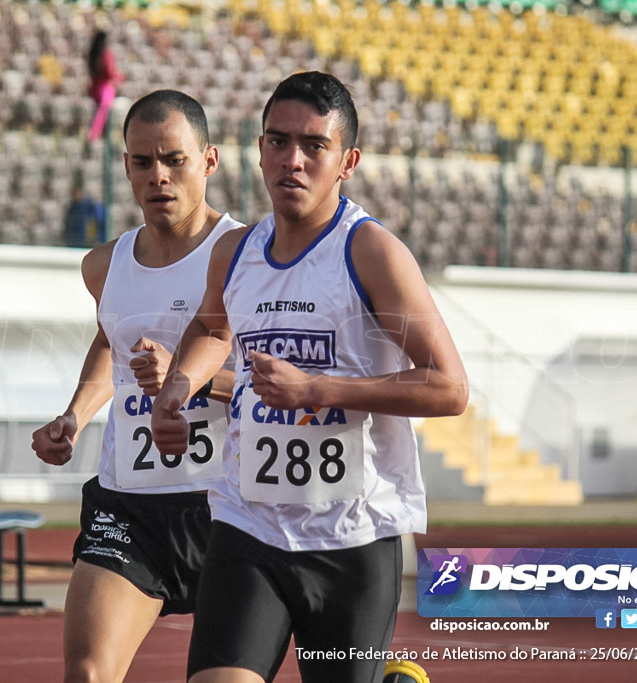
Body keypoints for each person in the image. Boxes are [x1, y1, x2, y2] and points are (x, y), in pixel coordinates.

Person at [150, 72, 469, 683]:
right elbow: (213, 331)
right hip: (249, 528)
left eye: (313, 146)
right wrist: (175, 392)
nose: (291, 160)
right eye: (277, 141)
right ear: (260, 146)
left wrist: (316, 390)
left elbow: (448, 387)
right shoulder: (235, 252)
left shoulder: (371, 252)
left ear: (346, 161)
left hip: (352, 538)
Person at [31, 89, 241, 683]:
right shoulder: (104, 265)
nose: (159, 176)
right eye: (142, 161)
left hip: (229, 508)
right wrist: (74, 415)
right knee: (88, 672)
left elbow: (275, 384)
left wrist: (189, 378)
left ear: (209, 160)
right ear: (125, 165)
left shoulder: (250, 256)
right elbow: (110, 343)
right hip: (129, 504)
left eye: (174, 159)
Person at [86, 29, 124, 143]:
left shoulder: (93, 53)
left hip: (95, 86)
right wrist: (120, 77)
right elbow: (109, 72)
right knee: (103, 112)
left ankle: (99, 135)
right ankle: (94, 135)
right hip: (105, 87)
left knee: (99, 111)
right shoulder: (106, 54)